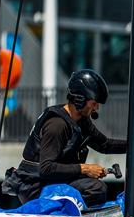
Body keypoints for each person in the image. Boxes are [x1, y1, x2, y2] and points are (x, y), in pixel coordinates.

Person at [8, 69, 126, 207]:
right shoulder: (57, 125)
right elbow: (46, 168)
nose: (97, 108)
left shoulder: (81, 121)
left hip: (53, 181)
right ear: (80, 99)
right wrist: (85, 169)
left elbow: (105, 145)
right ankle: (72, 216)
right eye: (94, 103)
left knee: (96, 187)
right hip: (35, 187)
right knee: (96, 188)